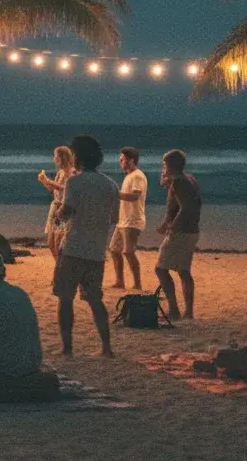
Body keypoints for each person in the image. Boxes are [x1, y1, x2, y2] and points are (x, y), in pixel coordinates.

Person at [55, 135, 118, 357]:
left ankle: (67, 347)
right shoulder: (110, 184)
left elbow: (67, 212)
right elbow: (114, 218)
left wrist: (57, 213)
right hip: (97, 251)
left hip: (73, 248)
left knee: (65, 298)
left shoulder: (74, 181)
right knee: (95, 300)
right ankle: (107, 347)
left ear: (77, 157)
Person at [155, 149, 202, 320]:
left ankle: (174, 309)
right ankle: (188, 312)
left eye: (164, 164)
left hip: (181, 232)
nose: (163, 167)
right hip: (191, 231)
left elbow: (186, 207)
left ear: (170, 165)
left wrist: (171, 227)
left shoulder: (180, 182)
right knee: (183, 271)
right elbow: (179, 205)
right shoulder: (189, 179)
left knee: (160, 269)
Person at [111, 146, 147, 290]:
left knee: (128, 251)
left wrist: (115, 194)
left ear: (131, 160)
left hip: (133, 220)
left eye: (123, 159)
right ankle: (120, 281)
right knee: (114, 250)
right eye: (120, 159)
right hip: (123, 221)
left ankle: (137, 284)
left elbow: (135, 196)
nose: (120, 162)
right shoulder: (128, 176)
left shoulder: (137, 176)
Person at [36, 146, 76, 260]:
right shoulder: (60, 173)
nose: (54, 159)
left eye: (56, 157)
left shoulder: (72, 173)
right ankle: (60, 267)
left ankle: (63, 270)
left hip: (65, 209)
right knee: (51, 243)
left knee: (59, 243)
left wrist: (48, 181)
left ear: (62, 158)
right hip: (55, 208)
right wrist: (44, 181)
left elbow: (66, 188)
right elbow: (52, 189)